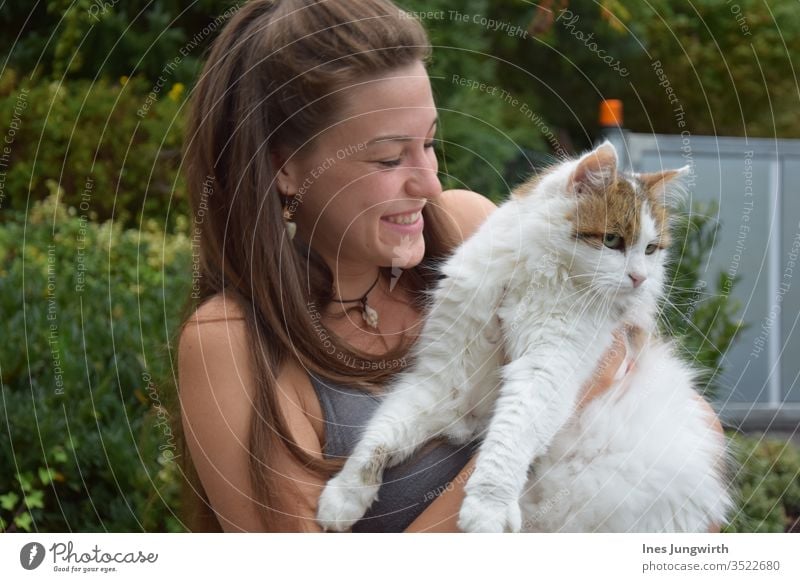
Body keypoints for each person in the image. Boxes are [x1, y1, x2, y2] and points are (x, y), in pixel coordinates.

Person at [176, 0, 723, 532]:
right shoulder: (227, 342)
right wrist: (567, 399)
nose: (430, 183)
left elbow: (676, 415)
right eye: (390, 159)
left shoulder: (464, 228)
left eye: (430, 144)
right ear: (286, 168)